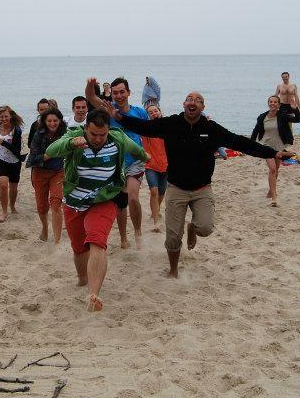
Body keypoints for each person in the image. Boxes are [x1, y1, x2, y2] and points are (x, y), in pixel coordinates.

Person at [89, 80, 285, 278]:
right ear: (183, 104)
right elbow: (144, 127)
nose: (193, 102)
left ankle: (192, 227)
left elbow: (240, 142)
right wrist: (120, 118)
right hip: (176, 187)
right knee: (173, 238)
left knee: (205, 228)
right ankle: (173, 270)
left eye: (198, 100)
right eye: (189, 99)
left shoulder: (211, 128)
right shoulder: (172, 124)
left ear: (203, 107)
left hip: (202, 188)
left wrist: (272, 153)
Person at [44, 109, 148, 311]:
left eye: (103, 134)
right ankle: (83, 280)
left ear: (109, 130)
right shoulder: (74, 136)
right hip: (75, 201)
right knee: (79, 248)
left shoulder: (117, 138)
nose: (99, 139)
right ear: (86, 129)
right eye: (94, 134)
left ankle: (94, 294)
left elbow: (135, 149)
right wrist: (70, 143)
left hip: (104, 199)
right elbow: (50, 150)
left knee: (97, 241)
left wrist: (145, 156)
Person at [86, 77, 149, 248]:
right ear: (111, 95)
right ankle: (123, 237)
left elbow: (150, 132)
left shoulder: (139, 112)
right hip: (115, 163)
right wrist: (90, 85)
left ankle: (137, 231)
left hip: (135, 162)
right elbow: (91, 97)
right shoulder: (107, 110)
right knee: (121, 202)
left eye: (122, 92)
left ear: (128, 92)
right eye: (115, 93)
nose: (119, 95)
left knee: (133, 198)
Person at [250, 96, 300, 207]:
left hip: (278, 145)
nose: (273, 103)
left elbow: (297, 119)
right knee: (272, 169)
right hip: (266, 145)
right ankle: (274, 197)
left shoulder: (282, 115)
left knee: (276, 169)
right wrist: (250, 144)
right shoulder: (262, 117)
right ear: (268, 103)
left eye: (275, 102)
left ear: (278, 105)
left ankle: (270, 191)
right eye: (271, 102)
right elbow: (256, 131)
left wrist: (295, 109)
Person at [26, 107, 67, 244]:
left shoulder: (65, 133)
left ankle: (57, 239)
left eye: (55, 120)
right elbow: (32, 158)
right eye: (49, 120)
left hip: (58, 172)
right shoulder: (39, 134)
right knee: (42, 206)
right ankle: (44, 228)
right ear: (45, 121)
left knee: (56, 202)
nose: (52, 123)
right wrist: (48, 155)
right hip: (40, 171)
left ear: (60, 120)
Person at [0, 105, 26, 222]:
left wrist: (4, 143)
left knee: (13, 187)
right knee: (3, 185)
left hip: (14, 162)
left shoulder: (16, 130)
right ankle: (3, 211)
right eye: (1, 117)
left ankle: (12, 206)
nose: (3, 119)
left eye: (6, 116)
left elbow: (17, 150)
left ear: (10, 116)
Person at [141, 104, 169, 231]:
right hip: (150, 165)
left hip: (166, 165)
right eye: (150, 112)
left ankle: (155, 210)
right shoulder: (146, 128)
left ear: (160, 111)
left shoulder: (169, 127)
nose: (153, 113)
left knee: (162, 192)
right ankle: (155, 222)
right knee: (154, 191)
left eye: (155, 111)